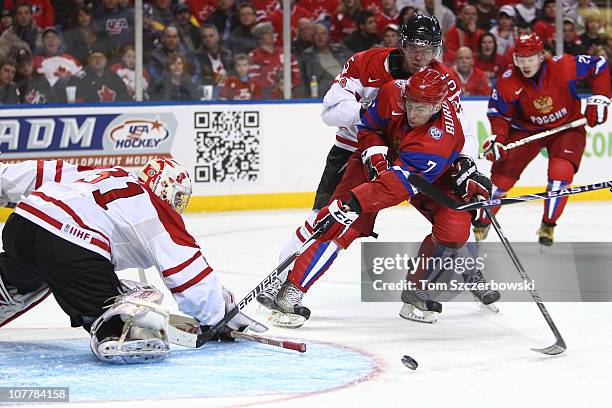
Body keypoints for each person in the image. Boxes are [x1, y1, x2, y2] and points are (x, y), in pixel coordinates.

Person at [256, 15, 481, 325]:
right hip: (354, 153)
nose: (421, 57)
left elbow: (460, 129)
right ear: (402, 45)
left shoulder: (442, 97)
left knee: (454, 222)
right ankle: (282, 282)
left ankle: (451, 272)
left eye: (429, 50)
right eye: (415, 48)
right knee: (329, 221)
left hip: (414, 162)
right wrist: (373, 137)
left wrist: (468, 163)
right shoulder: (368, 66)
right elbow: (332, 113)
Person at [0, 157, 264, 363]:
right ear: (165, 188)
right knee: (137, 309)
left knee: (34, 272)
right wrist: (219, 316)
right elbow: (189, 273)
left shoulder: (104, 173)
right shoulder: (157, 210)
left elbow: (39, 172)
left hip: (22, 224)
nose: (178, 204)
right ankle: (116, 329)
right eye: (178, 196)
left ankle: (9, 284)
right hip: (70, 246)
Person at [475, 34, 610, 245]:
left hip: (566, 128)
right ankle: (482, 223)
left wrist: (601, 97)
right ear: (515, 59)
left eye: (530, 59)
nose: (526, 65)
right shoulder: (508, 81)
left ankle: (548, 224)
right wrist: (499, 138)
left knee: (560, 173)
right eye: (521, 59)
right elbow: (498, 114)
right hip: (526, 130)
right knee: (502, 179)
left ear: (541, 56)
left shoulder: (563, 66)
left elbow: (599, 65)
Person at [299, 23, 352, 97]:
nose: (320, 37)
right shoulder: (307, 56)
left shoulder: (341, 50)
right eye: (317, 34)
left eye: (323, 34)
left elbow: (354, 66)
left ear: (328, 36)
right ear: (313, 37)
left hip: (348, 86)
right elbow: (305, 81)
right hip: (326, 91)